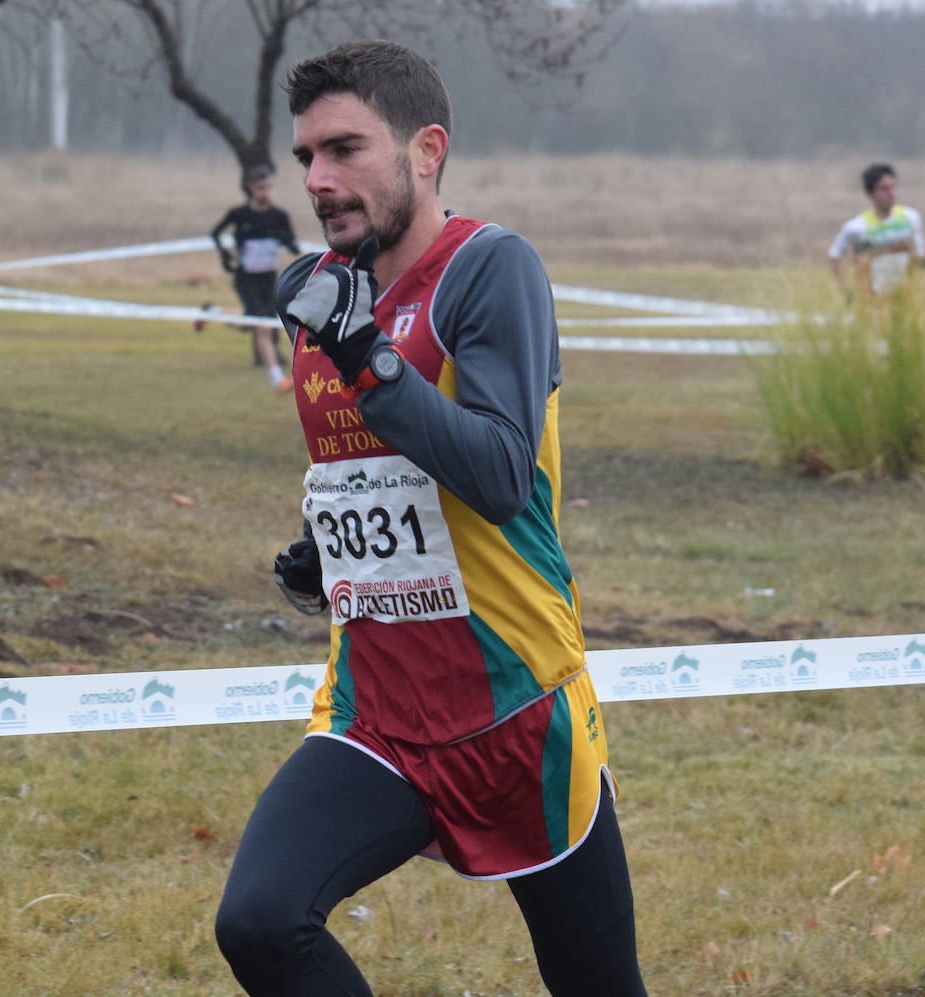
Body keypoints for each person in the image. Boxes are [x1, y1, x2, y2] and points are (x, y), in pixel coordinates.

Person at [214, 40, 648, 997]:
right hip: (378, 707)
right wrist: (329, 556)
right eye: (306, 160)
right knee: (260, 920)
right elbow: (377, 478)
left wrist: (364, 349)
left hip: (514, 703)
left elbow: (496, 474)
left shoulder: (490, 270)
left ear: (426, 150)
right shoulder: (315, 294)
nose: (319, 181)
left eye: (345, 150)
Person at [210, 163, 301, 391]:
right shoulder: (239, 215)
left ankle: (212, 312)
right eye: (261, 188)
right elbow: (215, 233)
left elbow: (292, 244)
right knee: (262, 327)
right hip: (246, 279)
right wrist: (225, 256)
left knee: (249, 326)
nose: (265, 192)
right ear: (251, 188)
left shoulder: (279, 216)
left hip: (269, 280)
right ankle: (277, 380)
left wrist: (287, 242)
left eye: (268, 187)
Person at [829, 163, 925, 300]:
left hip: (904, 294)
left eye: (893, 187)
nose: (891, 193)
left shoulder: (911, 218)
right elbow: (835, 255)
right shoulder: (856, 226)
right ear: (870, 193)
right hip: (872, 297)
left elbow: (919, 254)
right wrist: (846, 291)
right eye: (883, 189)